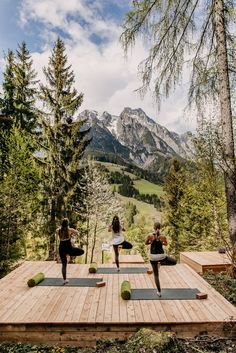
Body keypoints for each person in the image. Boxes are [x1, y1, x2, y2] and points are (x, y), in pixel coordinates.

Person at [145, 221, 176, 297]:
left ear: (153, 227)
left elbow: (146, 243)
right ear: (160, 227)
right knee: (174, 262)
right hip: (161, 256)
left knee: (156, 275)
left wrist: (151, 242)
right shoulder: (162, 237)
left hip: (153, 257)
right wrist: (161, 242)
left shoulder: (150, 236)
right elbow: (166, 244)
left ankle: (159, 292)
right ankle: (161, 263)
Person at [56, 218, 84, 284]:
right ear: (67, 224)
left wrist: (69, 235)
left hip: (61, 249)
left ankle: (64, 279)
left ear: (61, 223)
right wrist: (71, 235)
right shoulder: (69, 230)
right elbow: (77, 233)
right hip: (69, 249)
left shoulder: (58, 230)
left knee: (64, 265)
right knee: (82, 251)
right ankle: (69, 254)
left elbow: (58, 237)